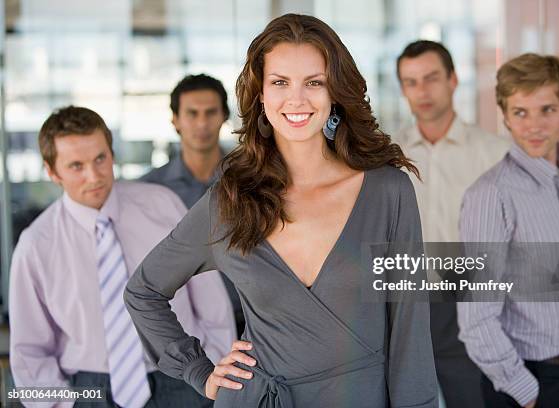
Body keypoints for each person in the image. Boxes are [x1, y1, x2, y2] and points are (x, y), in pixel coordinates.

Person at [125, 13, 437, 408]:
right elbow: (144, 291)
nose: (297, 99)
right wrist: (200, 373)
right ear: (260, 96)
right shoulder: (229, 201)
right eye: (280, 82)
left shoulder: (387, 191)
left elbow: (410, 329)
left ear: (335, 92)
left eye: (314, 82)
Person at [9, 106, 235, 408]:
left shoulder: (161, 204)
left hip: (184, 378)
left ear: (112, 154)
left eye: (100, 159)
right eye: (76, 165)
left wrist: (212, 371)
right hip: (90, 390)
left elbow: (211, 299)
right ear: (52, 172)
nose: (94, 176)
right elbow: (30, 350)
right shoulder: (36, 244)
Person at [458, 53, 559, 408]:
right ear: (506, 117)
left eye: (547, 110)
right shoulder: (490, 195)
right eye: (520, 112)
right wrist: (529, 394)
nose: (534, 126)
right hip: (536, 383)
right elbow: (476, 318)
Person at [394, 40, 509, 408]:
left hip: (473, 306)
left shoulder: (494, 153)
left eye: (431, 78)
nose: (422, 91)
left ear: (454, 80)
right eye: (411, 82)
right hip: (404, 304)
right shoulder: (386, 157)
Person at [141, 73, 244, 336]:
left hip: (249, 319)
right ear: (175, 120)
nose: (202, 123)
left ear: (223, 117)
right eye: (192, 113)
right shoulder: (148, 190)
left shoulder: (251, 178)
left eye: (210, 113)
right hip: (180, 325)